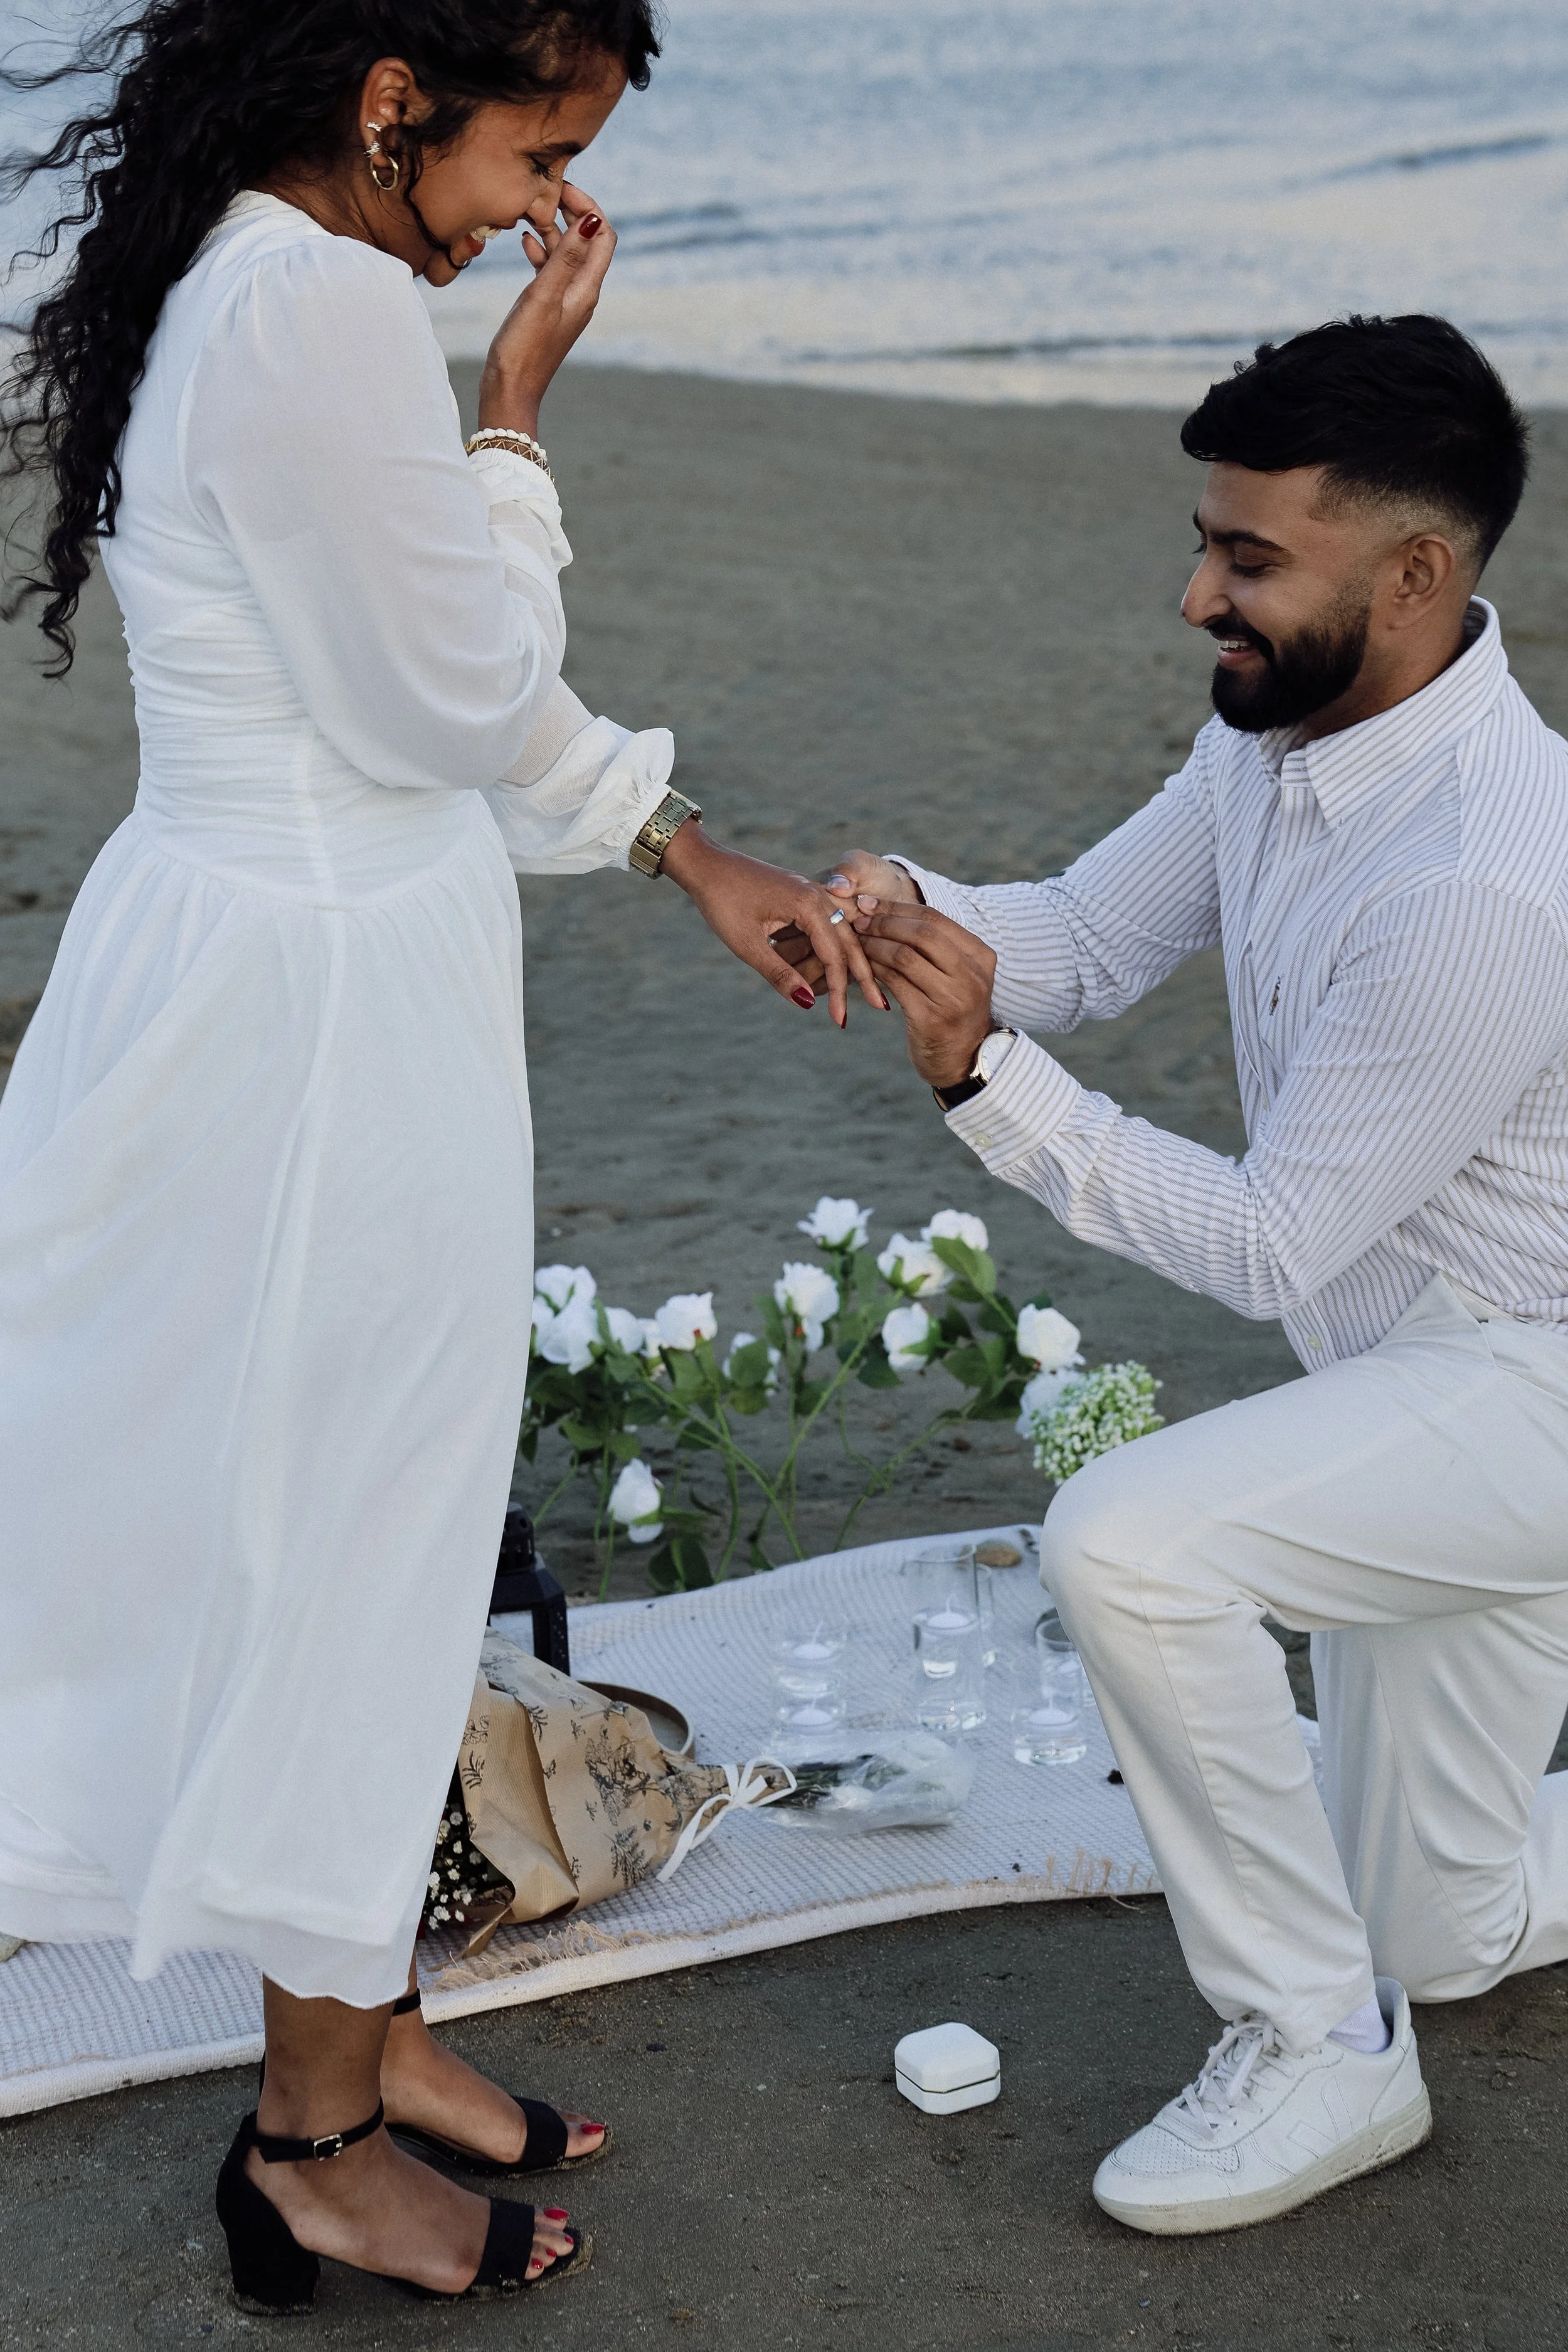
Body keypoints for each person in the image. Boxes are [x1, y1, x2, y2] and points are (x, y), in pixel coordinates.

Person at [0, 0, 880, 2310]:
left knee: (360, 1513)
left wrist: (689, 850)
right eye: (531, 150)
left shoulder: (279, 273)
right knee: (342, 1547)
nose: (538, 210)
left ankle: (366, 2027)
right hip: (307, 1024)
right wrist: (517, 418)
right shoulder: (310, 322)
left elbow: (421, 695)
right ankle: (305, 2136)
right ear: (391, 106)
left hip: (301, 967)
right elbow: (455, 693)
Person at [800, 315, 1568, 2235]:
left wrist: (983, 1077)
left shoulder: (1481, 879)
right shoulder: (1280, 737)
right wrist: (912, 912)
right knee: (1443, 1929)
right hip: (1409, 1379)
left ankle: (1318, 2047)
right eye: (1203, 540)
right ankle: (1385, 1965)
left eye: (1245, 559)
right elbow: (1075, 934)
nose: (1191, 592)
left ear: (1415, 571)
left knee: (1135, 1541)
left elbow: (1259, 1241)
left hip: (1528, 1393)